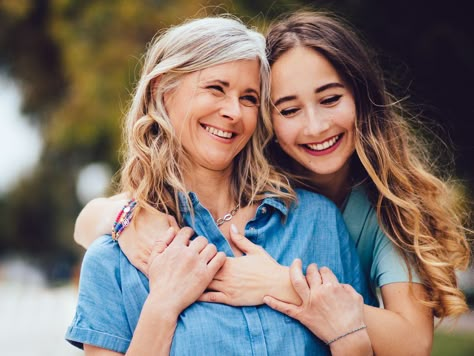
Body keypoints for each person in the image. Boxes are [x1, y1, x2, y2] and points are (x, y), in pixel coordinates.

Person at [74, 11, 472, 355]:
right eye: (216, 88)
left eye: (249, 98)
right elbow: (94, 221)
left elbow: (410, 344)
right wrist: (154, 284)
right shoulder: (122, 248)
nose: (314, 126)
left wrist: (285, 284)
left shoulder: (329, 218)